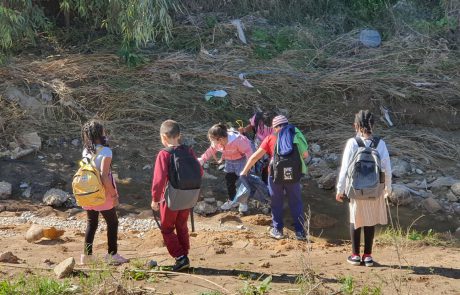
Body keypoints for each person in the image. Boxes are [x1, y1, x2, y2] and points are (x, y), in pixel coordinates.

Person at [336, 110, 392, 267]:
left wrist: (340, 189)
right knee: (370, 220)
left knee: (355, 219)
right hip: (375, 189)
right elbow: (387, 168)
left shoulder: (352, 143)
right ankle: (367, 256)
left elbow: (345, 169)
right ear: (373, 125)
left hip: (356, 189)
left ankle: (355, 255)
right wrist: (388, 188)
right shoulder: (381, 143)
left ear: (356, 126)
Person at [240, 115, 309, 240]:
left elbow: (256, 157)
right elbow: (305, 155)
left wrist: (244, 171)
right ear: (287, 125)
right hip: (293, 174)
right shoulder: (296, 136)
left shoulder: (270, 138)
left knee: (276, 202)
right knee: (296, 202)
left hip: (274, 175)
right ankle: (300, 232)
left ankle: (278, 230)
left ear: (274, 128)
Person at [151, 120, 202, 271]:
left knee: (167, 229)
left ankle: (180, 258)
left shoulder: (164, 154)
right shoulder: (189, 150)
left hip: (171, 198)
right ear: (179, 135)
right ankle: (184, 254)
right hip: (188, 195)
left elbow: (159, 180)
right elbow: (200, 171)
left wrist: (155, 199)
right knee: (181, 225)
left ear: (163, 137)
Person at [80, 120, 128, 265]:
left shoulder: (86, 151)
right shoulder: (106, 151)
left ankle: (86, 256)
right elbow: (104, 176)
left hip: (88, 192)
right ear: (101, 133)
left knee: (91, 223)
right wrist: (114, 195)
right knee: (113, 223)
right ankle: (112, 255)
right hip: (102, 194)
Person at [198, 123, 253, 213]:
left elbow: (248, 151)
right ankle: (232, 200)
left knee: (242, 182)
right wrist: (203, 159)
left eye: (213, 140)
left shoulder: (237, 140)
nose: (213, 142)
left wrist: (249, 166)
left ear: (221, 139)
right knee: (229, 181)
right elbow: (211, 150)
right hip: (229, 161)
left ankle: (243, 203)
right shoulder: (217, 143)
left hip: (241, 161)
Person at [239, 111, 275, 184]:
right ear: (262, 120)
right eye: (266, 123)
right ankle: (258, 179)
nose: (268, 125)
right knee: (257, 160)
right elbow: (252, 126)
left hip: (272, 142)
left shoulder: (277, 122)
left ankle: (266, 180)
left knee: (268, 162)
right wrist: (244, 130)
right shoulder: (257, 117)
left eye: (270, 124)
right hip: (259, 142)